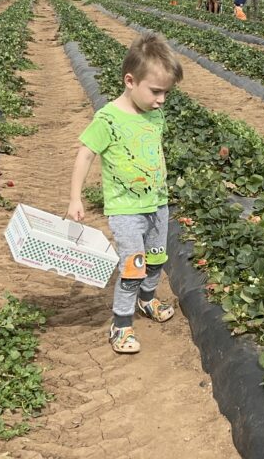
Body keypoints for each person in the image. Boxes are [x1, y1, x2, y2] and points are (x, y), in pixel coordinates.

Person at [67, 32, 184, 354]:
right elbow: (85, 154)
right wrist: (76, 198)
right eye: (156, 91)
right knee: (133, 266)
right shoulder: (108, 119)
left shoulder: (154, 114)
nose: (161, 100)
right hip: (126, 210)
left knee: (157, 259)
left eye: (166, 93)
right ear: (130, 81)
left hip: (157, 203)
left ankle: (147, 300)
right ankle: (121, 324)